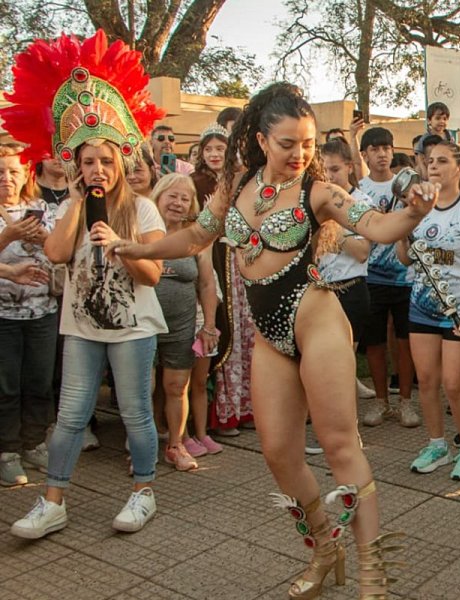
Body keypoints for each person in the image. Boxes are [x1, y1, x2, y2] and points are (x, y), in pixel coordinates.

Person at [112, 82, 434, 599]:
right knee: (279, 453)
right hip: (269, 337)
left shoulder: (319, 192)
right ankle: (326, 548)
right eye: (288, 144)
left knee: (339, 446)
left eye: (307, 143)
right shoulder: (235, 184)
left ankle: (374, 578)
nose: (300, 154)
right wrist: (134, 249)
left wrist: (414, 213)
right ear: (261, 140)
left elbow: (376, 226)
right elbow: (196, 236)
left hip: (317, 321)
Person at [3, 30, 168, 538]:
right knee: (71, 414)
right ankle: (53, 500)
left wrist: (123, 245)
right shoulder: (72, 207)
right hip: (81, 327)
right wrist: (77, 202)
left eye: (106, 161)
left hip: (133, 328)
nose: (98, 169)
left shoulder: (142, 209)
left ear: (121, 162)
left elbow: (153, 274)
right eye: (88, 161)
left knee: (136, 413)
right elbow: (55, 254)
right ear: (77, 165)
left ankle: (143, 491)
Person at [396, 141, 460, 479]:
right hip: (422, 306)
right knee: (426, 381)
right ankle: (437, 444)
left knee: (453, 385)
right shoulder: (419, 209)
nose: (433, 166)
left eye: (442, 161)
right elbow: (405, 259)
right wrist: (403, 227)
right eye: (429, 161)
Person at [149, 173, 218, 470]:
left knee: (177, 386)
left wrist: (209, 326)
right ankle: (141, 449)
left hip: (181, 326)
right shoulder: (141, 230)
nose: (178, 203)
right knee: (145, 388)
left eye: (184, 198)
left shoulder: (196, 237)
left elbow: (207, 284)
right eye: (172, 196)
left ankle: (176, 446)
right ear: (158, 197)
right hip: (143, 326)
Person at [191, 122, 254, 438]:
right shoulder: (194, 183)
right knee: (224, 328)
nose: (214, 154)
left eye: (220, 148)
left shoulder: (240, 181)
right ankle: (221, 414)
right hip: (212, 261)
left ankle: (246, 409)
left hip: (239, 262)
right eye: (209, 149)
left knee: (245, 333)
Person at [0, 143, 57, 486]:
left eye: (13, 172)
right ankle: (7, 451)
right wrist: (7, 236)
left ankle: (34, 443)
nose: (6, 178)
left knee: (39, 381)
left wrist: (44, 237)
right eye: (0, 172)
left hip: (42, 311)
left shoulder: (41, 209)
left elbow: (59, 253)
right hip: (3, 315)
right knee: (6, 386)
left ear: (25, 176)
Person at [358, 127, 419, 428]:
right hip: (371, 278)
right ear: (364, 155)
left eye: (386, 148)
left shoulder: (408, 185)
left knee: (405, 343)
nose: (382, 154)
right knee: (375, 343)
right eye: (375, 149)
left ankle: (405, 402)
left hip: (405, 277)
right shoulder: (358, 191)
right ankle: (381, 401)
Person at [318, 140, 386, 407]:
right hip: (319, 290)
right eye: (324, 170)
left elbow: (361, 251)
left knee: (343, 363)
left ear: (349, 167)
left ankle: (344, 419)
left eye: (334, 169)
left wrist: (333, 227)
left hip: (350, 288)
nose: (329, 176)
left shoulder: (361, 202)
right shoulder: (316, 199)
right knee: (320, 361)